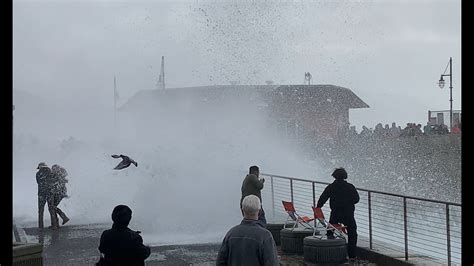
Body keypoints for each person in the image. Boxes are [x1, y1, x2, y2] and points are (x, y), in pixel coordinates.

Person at [216, 195, 278, 266]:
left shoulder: (231, 234)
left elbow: (220, 262)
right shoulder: (265, 236)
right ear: (260, 211)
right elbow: (271, 263)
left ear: (242, 210)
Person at [316, 168, 360, 260]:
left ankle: (330, 251)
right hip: (348, 214)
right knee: (352, 234)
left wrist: (318, 208)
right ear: (345, 176)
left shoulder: (331, 187)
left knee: (330, 231)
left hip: (335, 214)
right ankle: (352, 255)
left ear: (334, 176)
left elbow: (322, 199)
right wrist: (348, 202)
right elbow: (356, 199)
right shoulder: (350, 187)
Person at [36, 162, 58, 229]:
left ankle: (41, 227)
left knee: (41, 210)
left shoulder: (38, 173)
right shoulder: (51, 172)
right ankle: (54, 225)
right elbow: (54, 181)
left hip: (41, 194)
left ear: (40, 167)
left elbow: (38, 182)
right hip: (50, 193)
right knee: (51, 209)